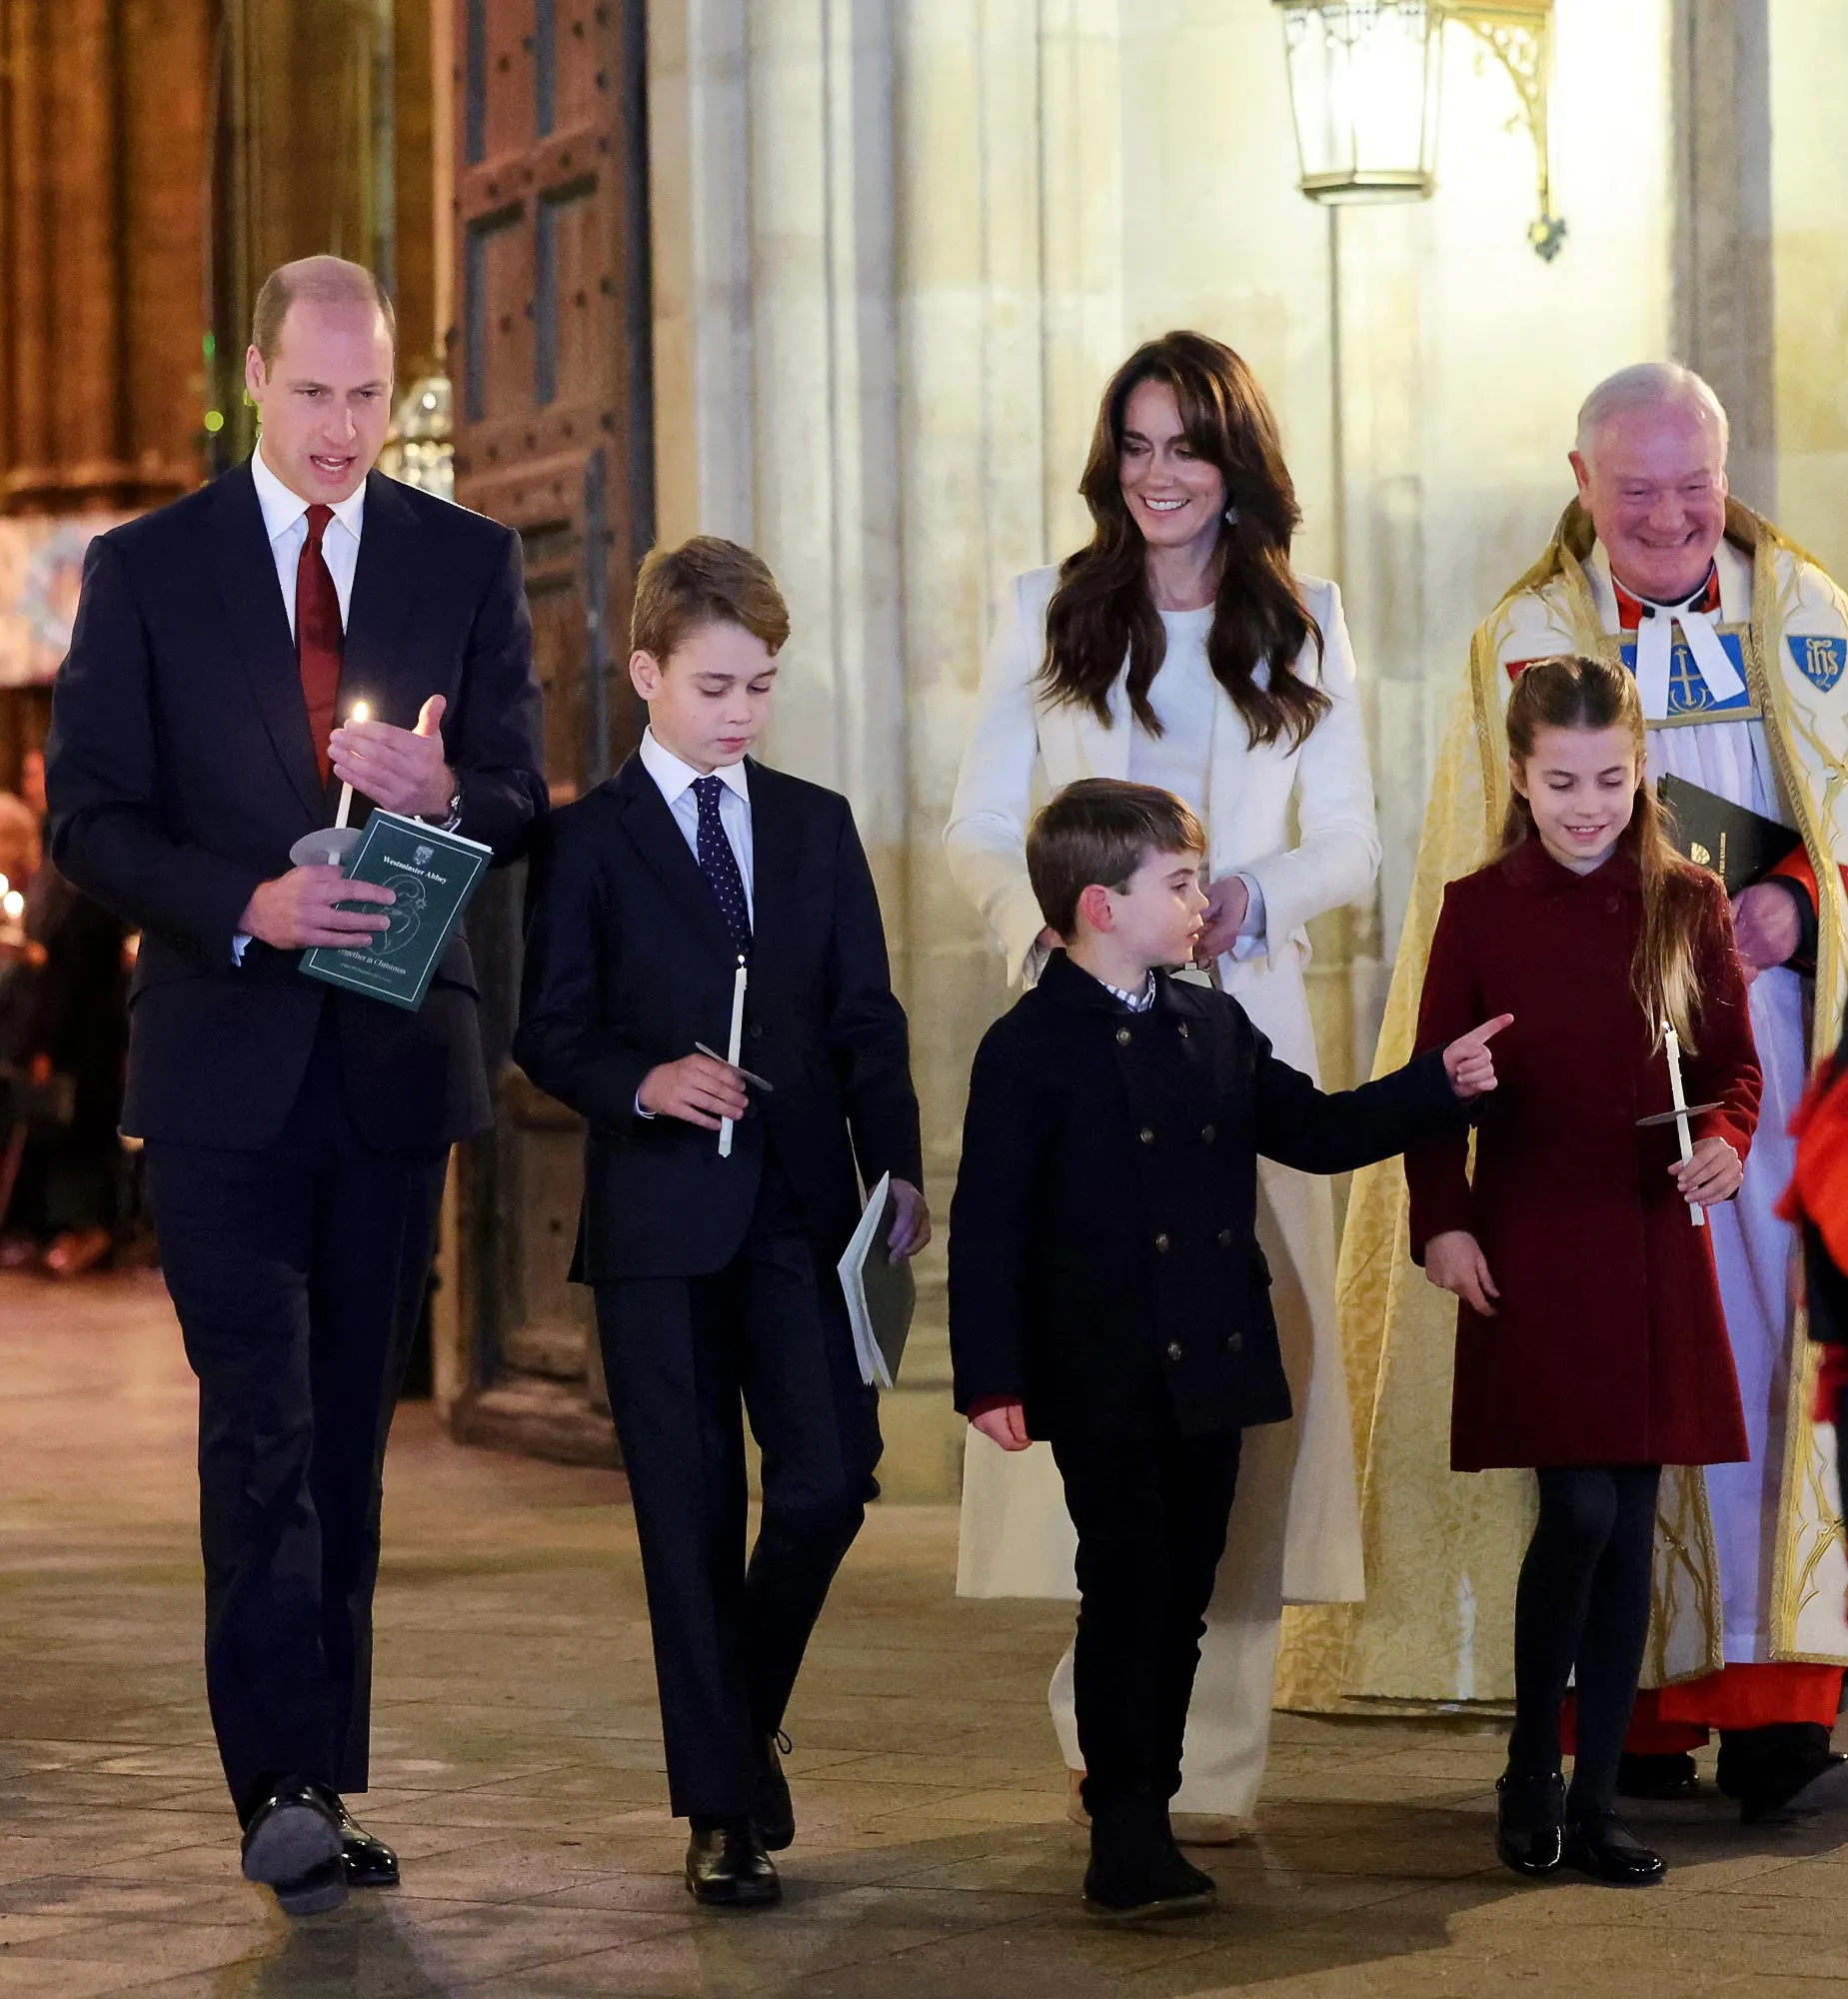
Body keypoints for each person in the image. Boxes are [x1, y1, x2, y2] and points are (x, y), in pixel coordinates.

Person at [46, 255, 546, 1915]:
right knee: (257, 1421)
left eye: (368, 398)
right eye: (313, 393)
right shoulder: (144, 569)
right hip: (219, 1076)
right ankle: (273, 1786)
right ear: (256, 377)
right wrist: (241, 905)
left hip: (394, 1061)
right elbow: (90, 825)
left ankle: (318, 1776)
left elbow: (525, 795)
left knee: (346, 1442)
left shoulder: (463, 561)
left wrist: (446, 785)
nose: (342, 430)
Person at [1299, 363, 1848, 1824]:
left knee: (1770, 1367)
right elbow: (1461, 910)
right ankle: (1637, 1718)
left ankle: (1780, 1704)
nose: (1671, 516)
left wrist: (1797, 901)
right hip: (1582, 1108)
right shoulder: (1521, 649)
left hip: (1776, 1063)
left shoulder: (1811, 623)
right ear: (1580, 477)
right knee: (1613, 1391)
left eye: (1694, 483)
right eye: (1637, 487)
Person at [945, 330, 1380, 1838]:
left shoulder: (1307, 622)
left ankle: (1211, 1768)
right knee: (1114, 1422)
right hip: (1086, 1057)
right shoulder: (1046, 613)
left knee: (1245, 1427)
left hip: (1240, 1051)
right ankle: (1109, 1722)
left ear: (1235, 462)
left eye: (1184, 446)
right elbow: (979, 824)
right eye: (1133, 447)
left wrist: (1244, 902)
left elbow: (1354, 840)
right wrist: (1063, 955)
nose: (1156, 476)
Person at [948, 777, 1502, 1918]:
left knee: (1186, 1589)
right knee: (1127, 1585)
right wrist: (990, 1372)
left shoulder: (1212, 1021)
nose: (1204, 899)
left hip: (1209, 1352)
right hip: (1101, 1364)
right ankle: (1126, 1825)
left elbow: (1316, 1128)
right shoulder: (1027, 1046)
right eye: (1182, 880)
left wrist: (1434, 1087)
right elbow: (991, 1221)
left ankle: (1152, 1800)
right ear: (1102, 904)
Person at [513, 536, 928, 1911]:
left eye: (761, 684)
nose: (741, 711)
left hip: (803, 1213)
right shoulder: (585, 839)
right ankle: (719, 1814)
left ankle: (736, 1731)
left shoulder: (812, 824)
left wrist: (901, 1170)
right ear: (644, 674)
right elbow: (549, 1029)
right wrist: (641, 1078)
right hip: (656, 1228)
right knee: (685, 1517)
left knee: (826, 1479)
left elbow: (868, 1020)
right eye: (714, 686)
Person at [1409, 656, 1760, 1885]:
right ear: (1516, 774)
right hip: (1531, 1236)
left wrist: (1724, 1142)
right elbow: (1427, 1091)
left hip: (1651, 1235)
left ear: (1640, 769)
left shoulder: (1687, 898)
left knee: (1625, 1522)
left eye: (1610, 778)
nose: (1587, 803)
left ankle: (1598, 1795)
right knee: (1580, 1509)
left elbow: (1732, 1067)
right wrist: (1441, 1221)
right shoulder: (1476, 905)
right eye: (1561, 781)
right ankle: (1527, 1764)